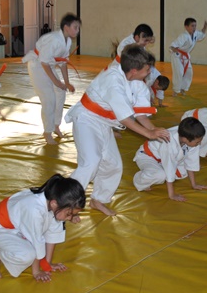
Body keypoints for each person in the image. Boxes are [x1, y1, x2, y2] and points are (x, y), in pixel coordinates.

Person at [64, 44, 171, 216]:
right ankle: (65, 203)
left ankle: (98, 200)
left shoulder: (138, 83)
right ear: (134, 70)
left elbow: (140, 114)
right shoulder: (113, 80)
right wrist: (149, 134)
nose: (150, 72)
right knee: (91, 162)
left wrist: (155, 130)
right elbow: (125, 119)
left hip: (104, 123)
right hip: (86, 119)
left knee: (113, 165)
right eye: (147, 69)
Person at [0, 174, 85, 282]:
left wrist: (47, 264)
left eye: (73, 214)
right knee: (27, 254)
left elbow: (52, 234)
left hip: (17, 226)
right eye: (69, 214)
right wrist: (36, 271)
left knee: (38, 238)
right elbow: (36, 242)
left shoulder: (54, 202)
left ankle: (10, 248)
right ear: (54, 203)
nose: (70, 218)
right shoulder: (34, 209)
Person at [22, 14, 80, 145]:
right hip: (37, 66)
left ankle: (55, 125)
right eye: (75, 27)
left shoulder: (67, 41)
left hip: (48, 65)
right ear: (66, 27)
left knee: (60, 92)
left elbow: (63, 63)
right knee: (49, 99)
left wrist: (66, 83)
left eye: (78, 28)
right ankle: (47, 132)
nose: (77, 30)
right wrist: (57, 82)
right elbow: (44, 62)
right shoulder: (54, 40)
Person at [132, 117, 207, 201]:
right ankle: (139, 179)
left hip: (163, 158)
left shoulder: (189, 135)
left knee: (182, 174)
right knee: (160, 175)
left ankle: (155, 170)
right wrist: (172, 195)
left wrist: (194, 185)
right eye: (197, 142)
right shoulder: (169, 142)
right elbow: (169, 167)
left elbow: (191, 163)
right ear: (185, 139)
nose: (199, 143)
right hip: (147, 156)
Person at [169, 17, 207, 96]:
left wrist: (205, 27)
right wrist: (174, 50)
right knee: (179, 72)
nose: (194, 28)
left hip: (185, 56)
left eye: (195, 26)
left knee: (189, 72)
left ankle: (183, 89)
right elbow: (172, 46)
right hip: (177, 56)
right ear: (186, 27)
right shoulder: (183, 36)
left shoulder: (195, 34)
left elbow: (201, 34)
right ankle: (176, 90)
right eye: (192, 26)